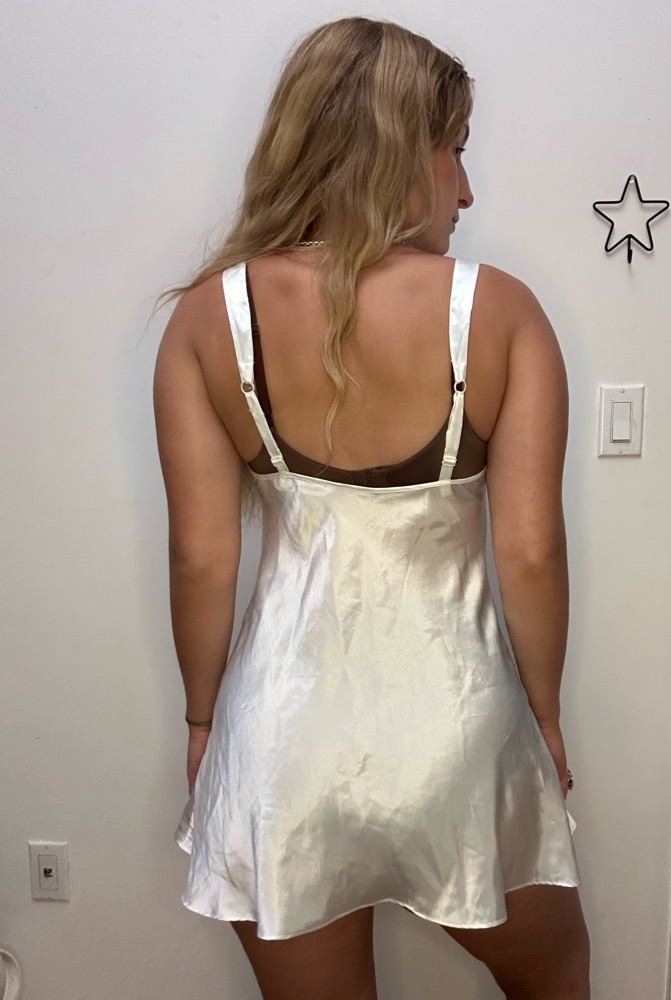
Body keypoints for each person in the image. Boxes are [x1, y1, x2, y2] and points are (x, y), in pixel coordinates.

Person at [153, 14, 591, 1000]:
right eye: (456, 151)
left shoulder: (207, 318)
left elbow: (201, 558)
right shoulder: (501, 311)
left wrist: (200, 722)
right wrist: (545, 718)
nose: (466, 189)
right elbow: (530, 553)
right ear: (397, 149)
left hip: (281, 736)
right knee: (555, 975)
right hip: (459, 729)